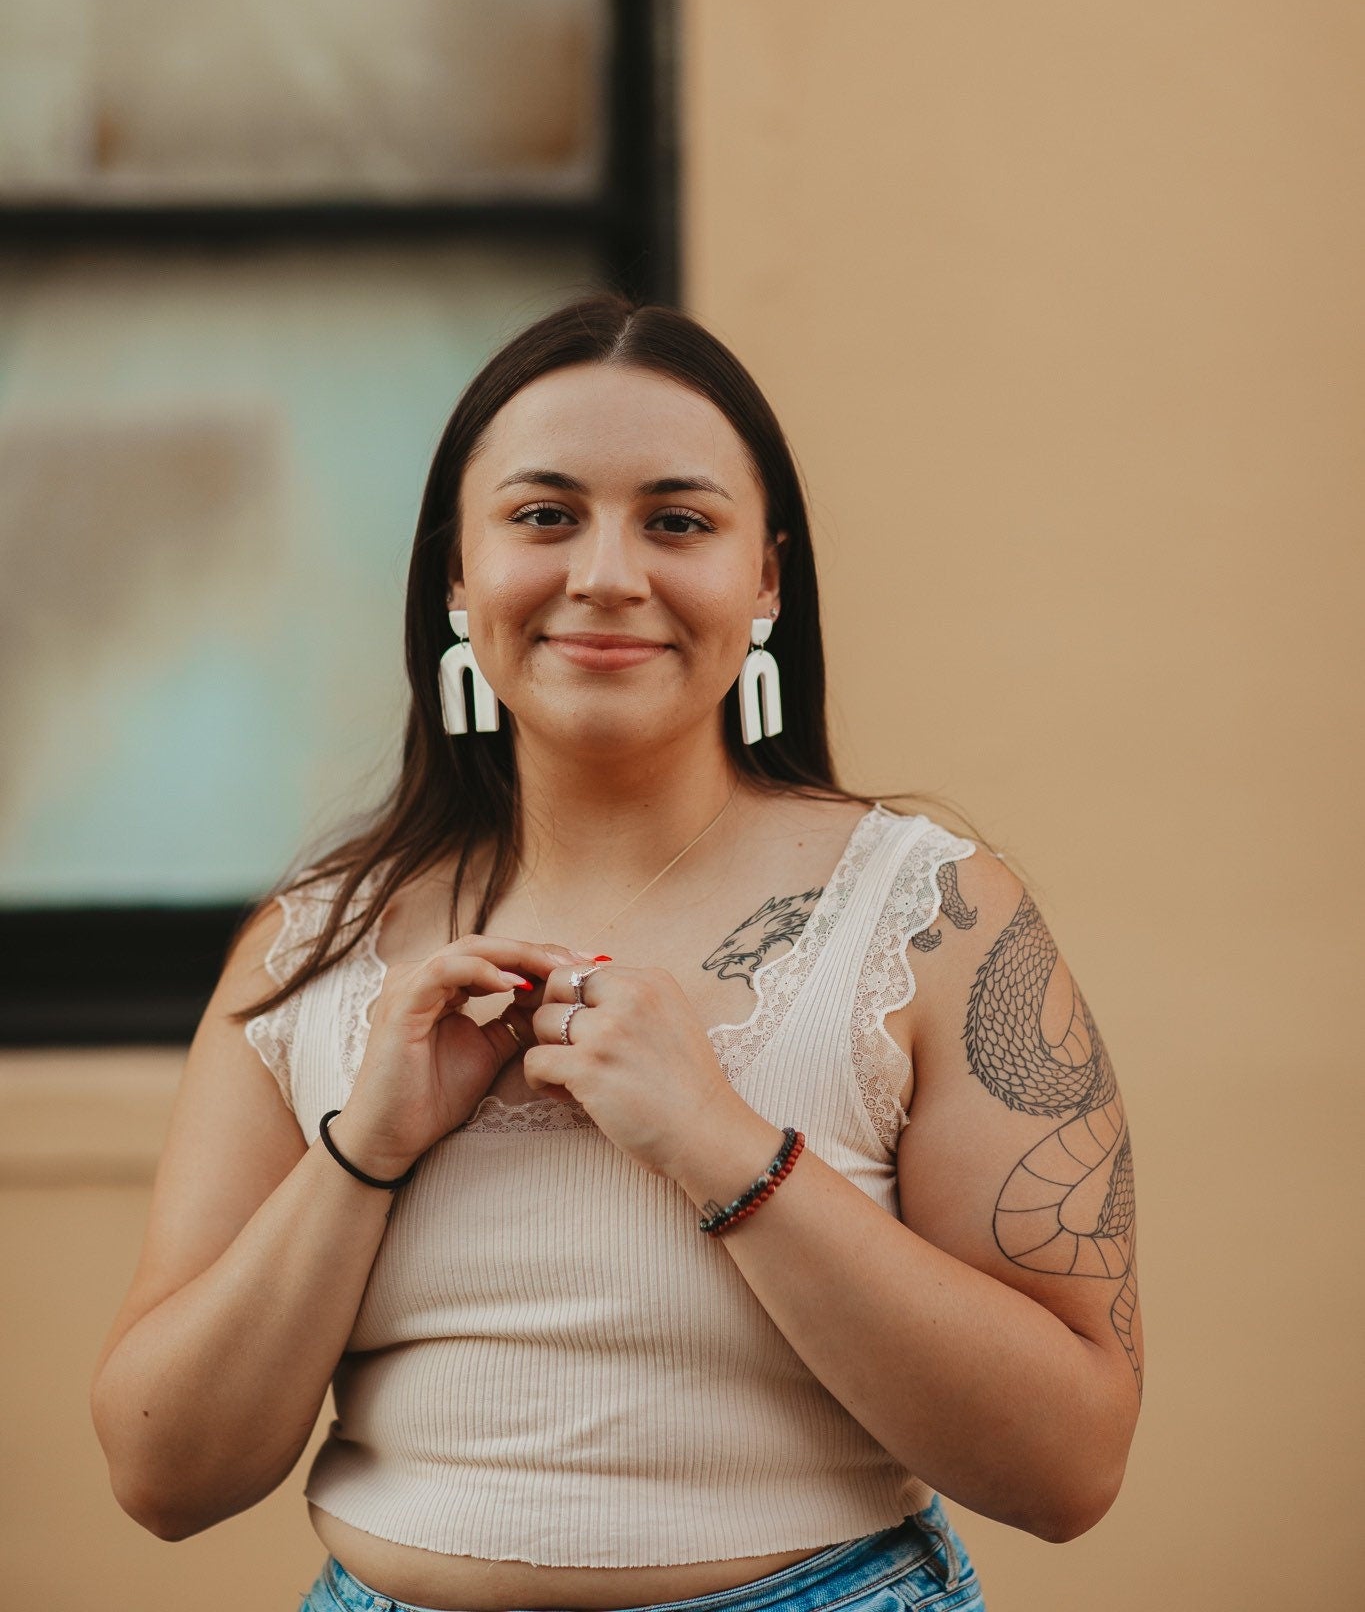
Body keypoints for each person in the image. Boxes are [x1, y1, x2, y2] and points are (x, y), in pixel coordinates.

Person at [91, 293, 1142, 1612]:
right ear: (457, 574)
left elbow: (1069, 1467)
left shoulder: (932, 918)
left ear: (763, 577)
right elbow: (162, 1473)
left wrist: (721, 1146)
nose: (603, 573)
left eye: (677, 521)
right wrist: (364, 1150)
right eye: (542, 516)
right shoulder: (310, 948)